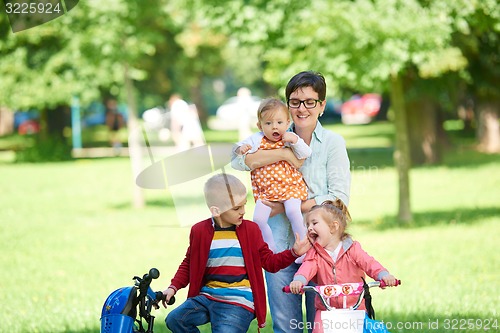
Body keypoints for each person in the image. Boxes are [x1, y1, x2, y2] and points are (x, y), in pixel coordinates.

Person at [231, 71, 351, 333]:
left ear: (321, 105)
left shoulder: (332, 143)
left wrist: (295, 205)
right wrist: (284, 154)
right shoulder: (273, 134)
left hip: (321, 248)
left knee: (325, 325)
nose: (301, 108)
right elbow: (238, 160)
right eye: (295, 102)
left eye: (309, 101)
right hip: (278, 248)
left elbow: (339, 196)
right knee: (286, 327)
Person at [161, 173, 312, 333]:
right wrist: (173, 287)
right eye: (236, 208)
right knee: (175, 320)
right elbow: (189, 264)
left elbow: (270, 263)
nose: (243, 211)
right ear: (216, 210)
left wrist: (294, 252)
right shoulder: (199, 231)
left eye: (244, 205)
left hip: (238, 301)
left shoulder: (251, 230)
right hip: (207, 297)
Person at [288, 199, 398, 333]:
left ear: (333, 227)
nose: (309, 228)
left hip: (355, 307)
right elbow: (306, 267)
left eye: (314, 223)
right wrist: (299, 281)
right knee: (318, 331)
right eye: (307, 225)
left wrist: (384, 276)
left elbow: (369, 263)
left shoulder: (352, 249)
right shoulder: (315, 254)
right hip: (325, 309)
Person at [233, 98, 311, 262]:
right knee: (258, 220)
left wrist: (295, 141)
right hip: (267, 192)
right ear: (260, 126)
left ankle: (304, 248)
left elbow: (305, 153)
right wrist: (241, 149)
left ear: (287, 122)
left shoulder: (290, 137)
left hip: (290, 187)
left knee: (292, 211)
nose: (274, 127)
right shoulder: (256, 139)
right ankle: (271, 248)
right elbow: (236, 151)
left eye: (279, 122)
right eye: (268, 123)